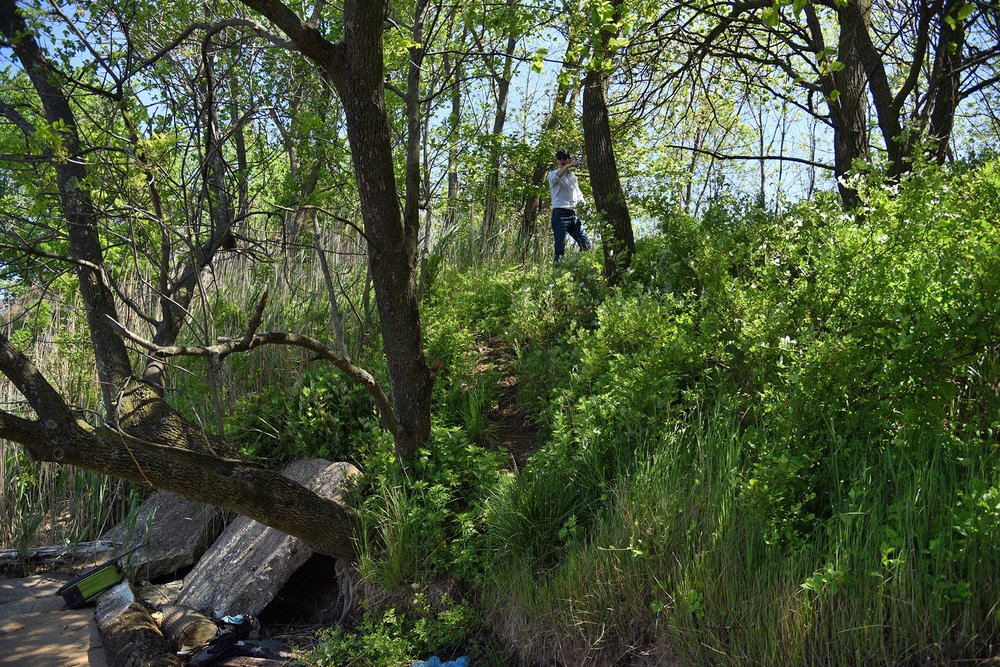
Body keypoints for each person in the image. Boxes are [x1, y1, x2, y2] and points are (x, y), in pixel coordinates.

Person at [548, 149, 592, 263]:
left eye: (565, 157)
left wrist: (585, 207)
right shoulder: (552, 174)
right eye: (559, 158)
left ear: (568, 158)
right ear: (557, 160)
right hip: (559, 215)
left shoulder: (572, 176)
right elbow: (558, 175)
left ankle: (577, 267)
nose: (562, 160)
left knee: (586, 244)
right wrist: (569, 165)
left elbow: (578, 193)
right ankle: (557, 272)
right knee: (560, 249)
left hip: (573, 215)